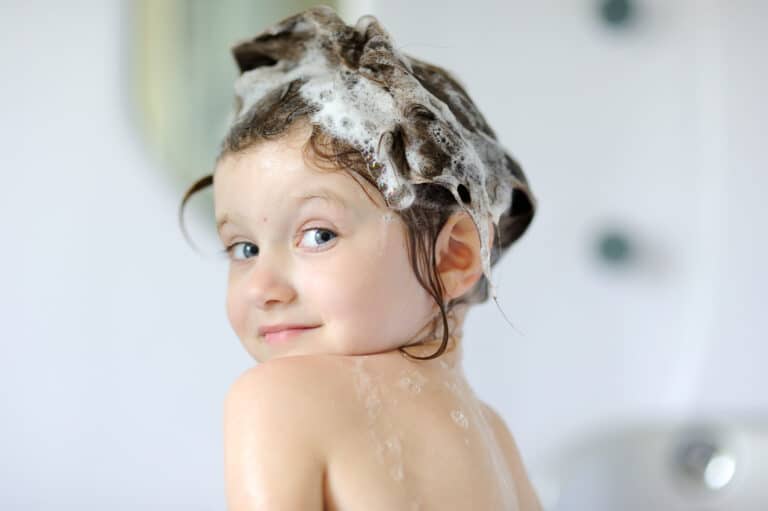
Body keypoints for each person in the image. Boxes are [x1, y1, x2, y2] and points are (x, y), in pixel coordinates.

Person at [180, 6, 540, 510]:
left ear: (454, 256)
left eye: (318, 235)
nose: (262, 287)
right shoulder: (492, 438)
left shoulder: (279, 397)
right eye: (244, 249)